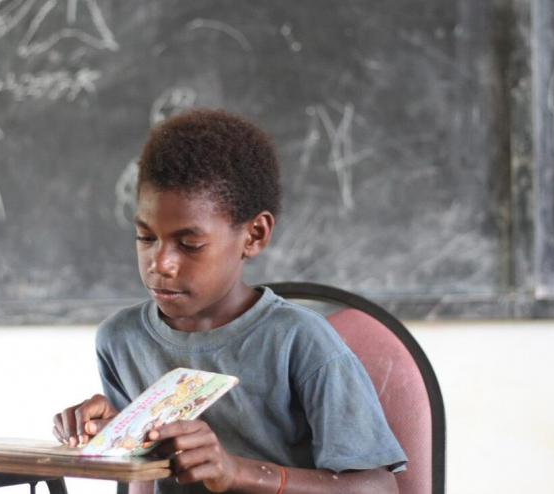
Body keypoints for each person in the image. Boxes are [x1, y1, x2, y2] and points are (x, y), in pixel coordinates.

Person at [53, 109, 407, 493]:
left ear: (254, 235)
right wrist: (117, 437)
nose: (160, 263)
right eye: (145, 237)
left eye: (190, 245)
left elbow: (379, 488)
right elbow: (144, 482)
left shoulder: (301, 341)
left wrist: (236, 472)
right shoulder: (121, 339)